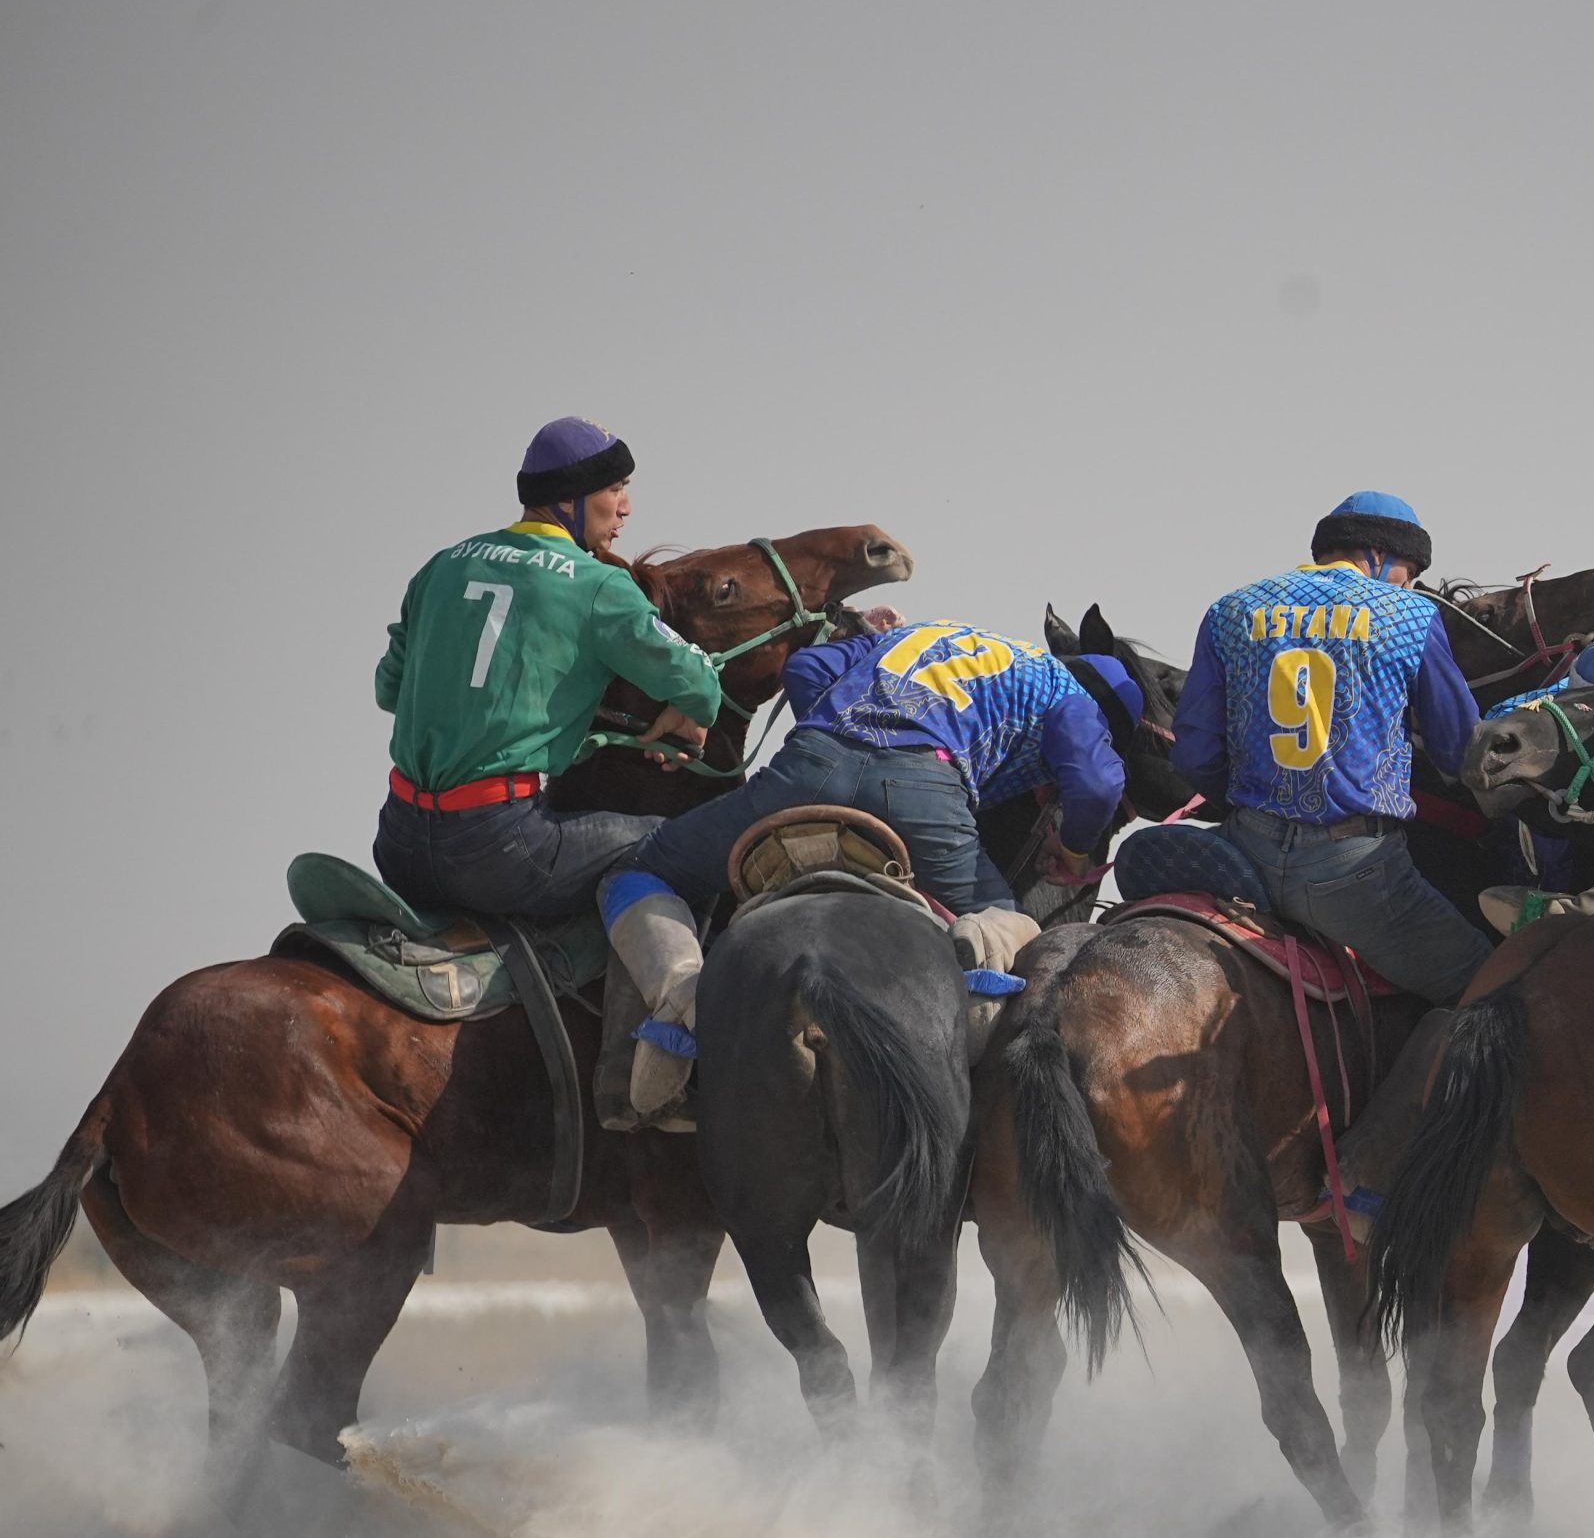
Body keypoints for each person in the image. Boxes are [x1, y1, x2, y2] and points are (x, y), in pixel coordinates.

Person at [599, 611, 1141, 1122]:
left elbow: (806, 667)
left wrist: (842, 737)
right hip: (922, 793)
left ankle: (677, 1000)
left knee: (642, 870)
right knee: (1006, 920)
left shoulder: (923, 631)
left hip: (809, 765)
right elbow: (1097, 785)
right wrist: (1072, 849)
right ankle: (970, 1027)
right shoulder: (1067, 692)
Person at [372, 418, 722, 919]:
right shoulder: (598, 584)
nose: (626, 506)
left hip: (398, 844)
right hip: (500, 852)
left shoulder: (441, 565)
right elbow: (699, 683)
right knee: (684, 840)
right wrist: (688, 709)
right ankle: (672, 996)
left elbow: (389, 690)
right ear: (566, 501)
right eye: (615, 488)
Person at [1169, 491, 1491, 1003]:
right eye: (1410, 569)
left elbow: (1194, 755)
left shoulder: (1230, 610)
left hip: (1242, 855)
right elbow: (1461, 750)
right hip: (1356, 869)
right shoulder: (1410, 615)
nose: (1411, 583)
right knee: (1492, 990)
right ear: (1381, 556)